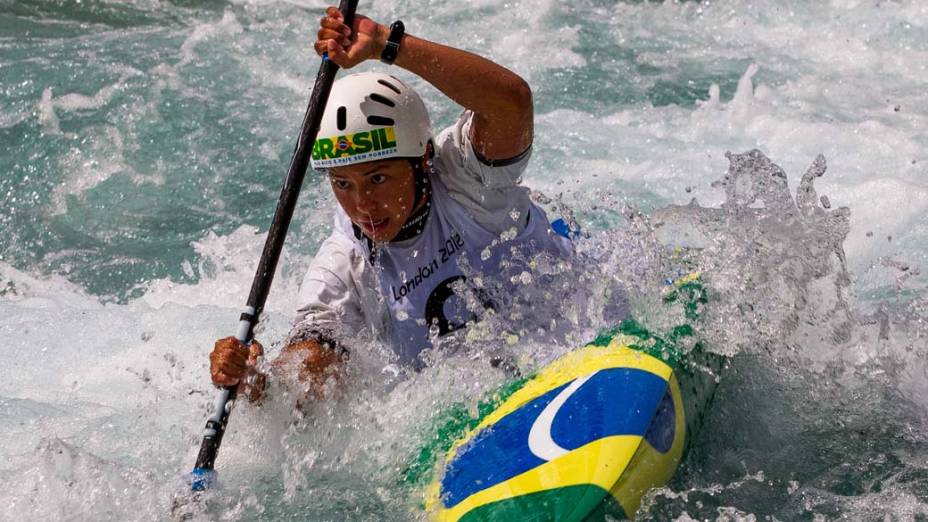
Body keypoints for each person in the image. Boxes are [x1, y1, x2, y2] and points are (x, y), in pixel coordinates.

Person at [209, 6, 576, 403]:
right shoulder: (345, 261)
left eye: (378, 178)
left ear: (424, 160)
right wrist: (258, 382)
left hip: (583, 345)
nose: (362, 204)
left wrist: (388, 44)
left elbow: (512, 102)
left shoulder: (467, 180)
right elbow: (311, 370)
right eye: (343, 184)